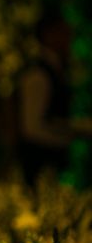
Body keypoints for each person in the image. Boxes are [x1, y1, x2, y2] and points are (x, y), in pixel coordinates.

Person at [16, 9, 92, 188]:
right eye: (63, 32)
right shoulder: (38, 74)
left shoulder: (55, 70)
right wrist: (72, 131)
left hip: (51, 163)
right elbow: (32, 127)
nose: (69, 38)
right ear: (48, 35)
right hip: (40, 164)